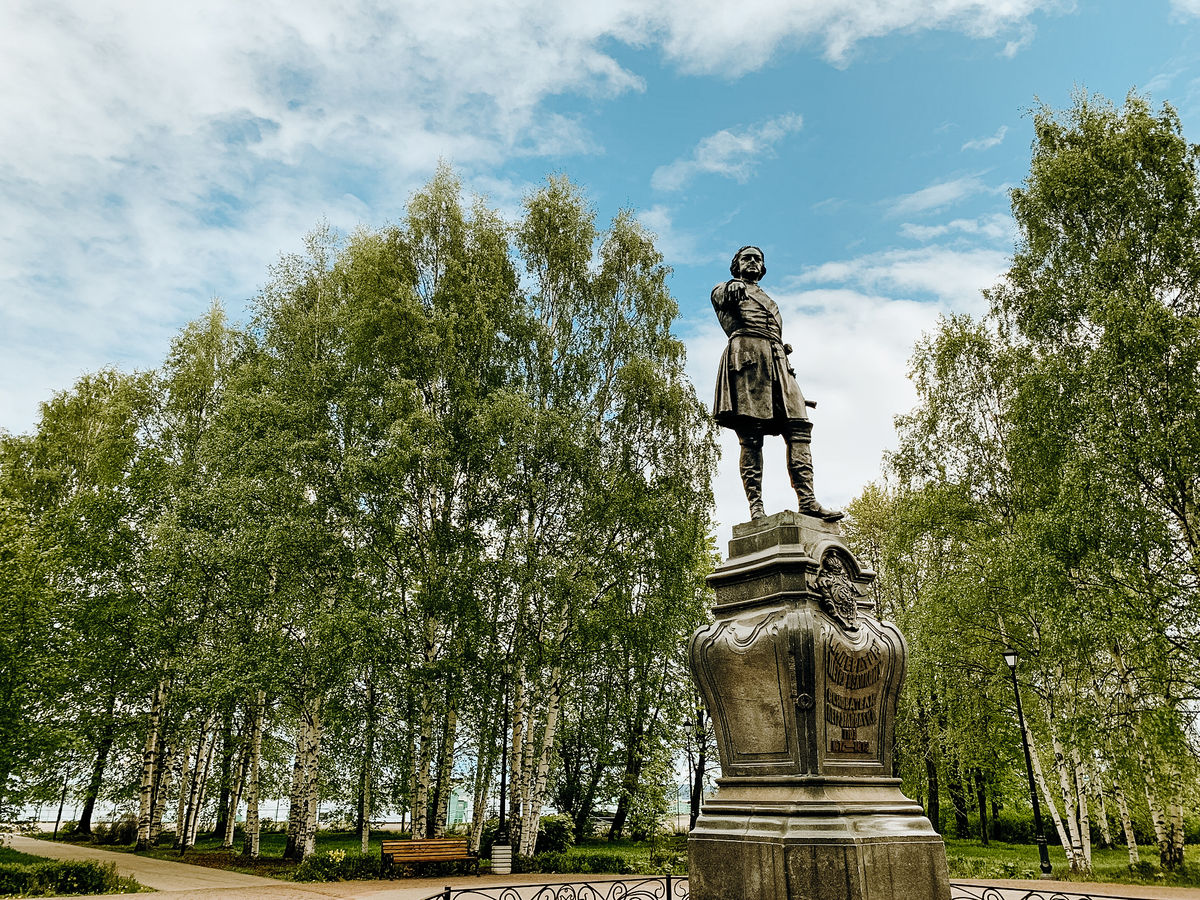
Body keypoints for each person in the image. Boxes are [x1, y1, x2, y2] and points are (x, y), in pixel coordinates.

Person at [712, 245, 843, 522]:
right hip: (748, 361)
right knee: (751, 437)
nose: (752, 262)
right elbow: (720, 296)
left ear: (763, 266)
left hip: (778, 365)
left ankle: (807, 501)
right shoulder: (729, 288)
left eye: (757, 259)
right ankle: (756, 507)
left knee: (798, 427)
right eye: (746, 258)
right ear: (736, 265)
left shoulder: (768, 298)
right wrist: (730, 285)